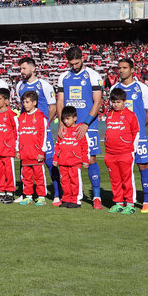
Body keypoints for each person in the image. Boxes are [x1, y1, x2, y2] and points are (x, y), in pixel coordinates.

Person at [56, 45, 105, 210]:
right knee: (66, 161)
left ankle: (97, 197)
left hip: (88, 125)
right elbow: (60, 102)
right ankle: (71, 195)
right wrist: (62, 124)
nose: (74, 66)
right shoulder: (63, 77)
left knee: (90, 159)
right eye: (72, 64)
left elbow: (98, 102)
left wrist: (85, 123)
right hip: (68, 125)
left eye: (77, 63)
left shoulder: (93, 75)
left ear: (83, 58)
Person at [16, 56, 61, 205]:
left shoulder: (44, 85)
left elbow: (52, 106)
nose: (21, 71)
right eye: (20, 69)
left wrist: (42, 125)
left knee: (48, 161)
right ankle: (26, 193)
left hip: (42, 132)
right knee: (25, 162)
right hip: (27, 133)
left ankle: (56, 192)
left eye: (24, 68)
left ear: (33, 68)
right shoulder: (19, 86)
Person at [114, 58, 148, 213]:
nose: (121, 70)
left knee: (143, 165)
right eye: (119, 67)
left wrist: (136, 129)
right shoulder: (114, 88)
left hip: (139, 137)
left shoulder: (142, 88)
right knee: (122, 169)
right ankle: (124, 200)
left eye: (125, 67)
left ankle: (147, 202)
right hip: (120, 138)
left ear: (132, 70)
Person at [104, 87, 140, 214]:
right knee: (115, 180)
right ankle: (118, 203)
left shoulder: (130, 115)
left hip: (125, 152)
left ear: (124, 102)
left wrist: (132, 150)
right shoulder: (109, 115)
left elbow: (136, 132)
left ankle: (130, 204)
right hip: (110, 153)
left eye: (118, 102)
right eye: (113, 102)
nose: (115, 104)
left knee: (127, 179)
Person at [17, 92, 48, 206]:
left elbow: (43, 136)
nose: (25, 104)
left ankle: (41, 197)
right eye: (24, 102)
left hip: (36, 154)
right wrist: (18, 150)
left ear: (34, 103)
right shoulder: (21, 117)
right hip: (25, 153)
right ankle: (28, 196)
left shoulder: (41, 117)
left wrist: (41, 152)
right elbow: (18, 135)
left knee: (39, 177)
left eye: (27, 102)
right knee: (26, 177)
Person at [54, 106, 89, 208]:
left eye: (68, 118)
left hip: (75, 162)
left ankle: (76, 200)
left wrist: (85, 161)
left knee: (75, 182)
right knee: (64, 182)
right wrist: (55, 159)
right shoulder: (62, 131)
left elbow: (84, 147)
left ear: (75, 118)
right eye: (64, 119)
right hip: (63, 162)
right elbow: (57, 146)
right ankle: (66, 199)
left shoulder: (79, 130)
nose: (66, 121)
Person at [0, 88, 18, 204]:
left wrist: (15, 148)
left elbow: (17, 132)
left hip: (7, 149)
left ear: (7, 101)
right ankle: (0, 193)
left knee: (9, 172)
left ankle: (10, 193)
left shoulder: (12, 114)